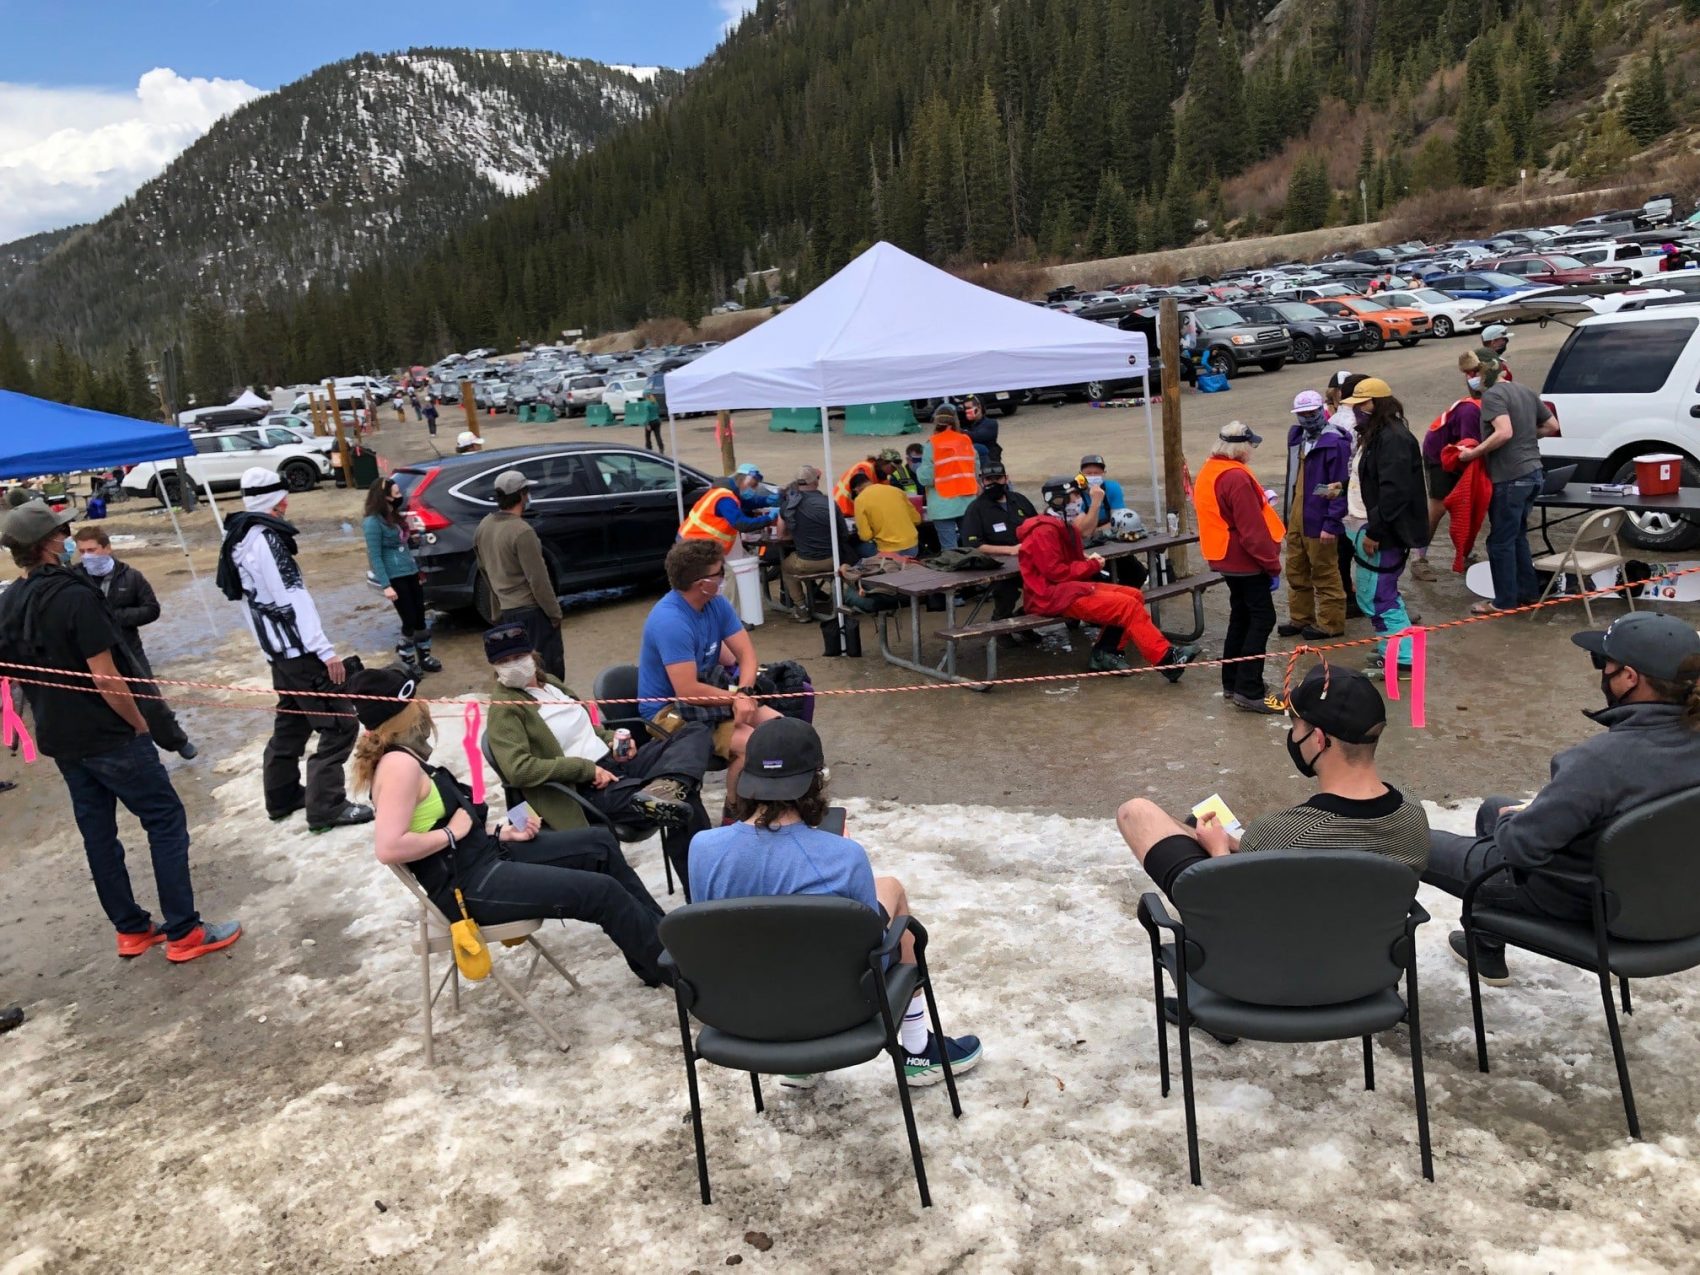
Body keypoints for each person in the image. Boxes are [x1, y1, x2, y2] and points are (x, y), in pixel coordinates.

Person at [0, 502, 242, 963]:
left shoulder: (9, 599)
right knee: (165, 820)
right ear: (49, 543)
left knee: (98, 833)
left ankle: (131, 929)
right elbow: (107, 677)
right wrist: (138, 722)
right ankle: (184, 932)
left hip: (61, 737)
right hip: (107, 735)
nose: (69, 536)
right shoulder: (74, 595)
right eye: (63, 531)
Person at [689, 717, 982, 1088]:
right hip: (832, 1011)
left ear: (748, 779)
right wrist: (831, 851)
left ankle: (798, 1066)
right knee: (894, 900)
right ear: (815, 781)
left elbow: (708, 927)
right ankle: (917, 1048)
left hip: (740, 1011)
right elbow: (868, 946)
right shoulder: (844, 855)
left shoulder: (701, 848)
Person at [1423, 614, 1700, 984]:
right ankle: (1484, 946)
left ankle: (1367, 969)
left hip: (1588, 903)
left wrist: (1512, 821)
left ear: (1630, 678)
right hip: (1674, 896)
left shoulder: (1600, 762)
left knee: (1407, 838)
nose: (1601, 672)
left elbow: (1521, 848)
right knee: (1493, 807)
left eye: (1604, 663)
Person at [354, 665, 671, 988]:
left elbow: (438, 821)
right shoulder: (399, 766)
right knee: (601, 892)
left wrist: (500, 831)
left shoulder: (407, 756)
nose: (424, 705)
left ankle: (668, 947)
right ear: (402, 713)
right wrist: (452, 833)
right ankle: (681, 974)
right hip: (470, 886)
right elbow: (389, 848)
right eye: (415, 700)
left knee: (599, 844)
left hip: (485, 856)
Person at [1118, 663, 1429, 906]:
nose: (1293, 737)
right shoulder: (1413, 814)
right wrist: (1235, 842)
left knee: (1136, 812)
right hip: (1365, 965)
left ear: (1318, 739)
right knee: (1194, 828)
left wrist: (1219, 853)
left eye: (1295, 727)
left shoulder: (1283, 833)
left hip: (1266, 969)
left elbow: (1237, 899)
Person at [482, 621, 712, 884]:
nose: (513, 665)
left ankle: (668, 785)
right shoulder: (505, 708)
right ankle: (702, 892)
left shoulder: (552, 684)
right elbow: (518, 769)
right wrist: (585, 769)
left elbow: (586, 728)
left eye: (518, 656)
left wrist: (613, 739)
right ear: (495, 667)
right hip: (584, 788)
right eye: (504, 661)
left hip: (614, 762)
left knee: (693, 730)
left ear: (531, 653)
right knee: (684, 805)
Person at [217, 467, 372, 832]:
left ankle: (282, 794)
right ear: (278, 501)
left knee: (291, 721)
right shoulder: (267, 540)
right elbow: (293, 597)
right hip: (299, 650)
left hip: (279, 652)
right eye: (283, 498)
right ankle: (327, 806)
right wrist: (324, 650)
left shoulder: (237, 537)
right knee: (339, 725)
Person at [637, 540, 782, 821]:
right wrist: (737, 699)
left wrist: (746, 692)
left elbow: (746, 654)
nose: (724, 576)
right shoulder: (671, 621)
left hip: (709, 695)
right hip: (667, 710)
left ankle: (772, 802)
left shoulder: (715, 603)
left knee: (780, 729)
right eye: (719, 572)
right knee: (751, 745)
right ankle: (735, 816)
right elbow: (688, 691)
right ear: (702, 583)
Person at [1017, 475, 1198, 677]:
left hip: (1067, 590)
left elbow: (1064, 564)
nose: (1077, 500)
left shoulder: (1062, 526)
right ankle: (1166, 659)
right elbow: (1056, 573)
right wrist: (1091, 565)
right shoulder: (1044, 531)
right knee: (1126, 606)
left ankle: (1105, 652)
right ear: (1058, 500)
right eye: (1073, 496)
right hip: (1051, 596)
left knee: (1133, 596)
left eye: (1077, 495)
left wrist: (1087, 562)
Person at [71, 524, 197, 758]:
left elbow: (151, 609)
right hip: (93, 651)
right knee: (101, 701)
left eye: (92, 550)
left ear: (107, 548)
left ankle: (176, 741)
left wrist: (116, 617)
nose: (87, 556)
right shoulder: (75, 579)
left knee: (149, 699)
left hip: (128, 648)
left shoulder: (131, 576)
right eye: (82, 551)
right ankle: (127, 746)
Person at [1194, 423, 1285, 713]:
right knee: (1261, 619)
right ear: (1241, 448)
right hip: (1245, 560)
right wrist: (1271, 565)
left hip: (1226, 557)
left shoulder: (1212, 469)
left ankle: (1232, 682)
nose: (1253, 452)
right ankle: (1249, 689)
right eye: (1251, 446)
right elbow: (1252, 531)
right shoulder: (1235, 476)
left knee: (1242, 617)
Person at [1457, 350, 1554, 616]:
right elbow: (1551, 426)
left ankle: (1503, 602)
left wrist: (1473, 454)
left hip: (1510, 477)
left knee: (1500, 542)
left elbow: (1504, 432)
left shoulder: (1493, 396)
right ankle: (1528, 593)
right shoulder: (1524, 390)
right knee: (1517, 536)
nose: (1471, 379)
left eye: (1474, 374)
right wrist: (1526, 433)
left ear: (1486, 370)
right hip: (1534, 472)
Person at [1343, 378, 1427, 678]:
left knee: (1380, 596)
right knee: (1373, 594)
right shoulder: (1376, 435)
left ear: (1374, 405)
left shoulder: (1393, 439)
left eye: (1359, 406)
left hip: (1382, 533)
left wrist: (1376, 532)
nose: (1355, 412)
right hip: (1369, 525)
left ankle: (1403, 659)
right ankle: (1387, 648)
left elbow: (1394, 492)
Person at [473, 470, 565, 679]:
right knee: (547, 673)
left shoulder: (484, 526)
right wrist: (554, 613)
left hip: (506, 612)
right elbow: (538, 579)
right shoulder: (522, 531)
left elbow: (484, 569)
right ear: (522, 495)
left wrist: (497, 608)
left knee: (519, 673)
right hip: (531, 613)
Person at [1279, 390, 1352, 641]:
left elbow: (1340, 486)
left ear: (1322, 410)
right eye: (1302, 414)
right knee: (1295, 570)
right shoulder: (1297, 438)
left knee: (1325, 572)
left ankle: (1331, 623)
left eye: (1311, 413)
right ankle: (1301, 618)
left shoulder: (1336, 442)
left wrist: (1331, 524)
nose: (1307, 418)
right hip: (1297, 515)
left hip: (1320, 518)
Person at [1413, 355, 1485, 583]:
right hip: (1440, 454)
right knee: (1439, 506)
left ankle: (1466, 552)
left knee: (1466, 501)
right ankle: (1418, 559)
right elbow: (1467, 448)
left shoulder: (1489, 405)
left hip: (1458, 451)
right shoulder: (1471, 411)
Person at [362, 477, 440, 676]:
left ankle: (425, 655)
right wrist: (386, 585)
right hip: (395, 576)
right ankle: (406, 657)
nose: (400, 497)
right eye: (396, 494)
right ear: (384, 497)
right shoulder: (372, 522)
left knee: (421, 617)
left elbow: (403, 545)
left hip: (410, 571)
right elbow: (376, 556)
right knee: (409, 620)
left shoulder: (395, 517)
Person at [677, 470, 779, 617]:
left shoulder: (720, 494)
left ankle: (714, 616)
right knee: (724, 577)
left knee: (708, 581)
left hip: (693, 542)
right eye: (752, 485)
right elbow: (742, 524)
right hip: (696, 545)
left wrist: (766, 500)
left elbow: (748, 502)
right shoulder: (725, 498)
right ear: (739, 484)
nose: (753, 490)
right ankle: (730, 620)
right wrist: (768, 518)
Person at [961, 462, 1038, 623]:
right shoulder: (976, 509)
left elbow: (1038, 526)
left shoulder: (1019, 500)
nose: (994, 483)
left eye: (998, 478)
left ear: (1006, 478)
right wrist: (1009, 550)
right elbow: (973, 545)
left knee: (1047, 587)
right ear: (982, 481)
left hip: (1030, 558)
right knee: (1006, 591)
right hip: (997, 565)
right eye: (989, 479)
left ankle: (1023, 620)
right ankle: (1001, 627)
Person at [779, 465, 845, 622]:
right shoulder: (829, 502)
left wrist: (798, 534)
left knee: (785, 567)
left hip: (805, 562)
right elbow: (843, 533)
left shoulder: (788, 505)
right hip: (834, 560)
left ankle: (801, 608)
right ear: (816, 482)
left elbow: (781, 535)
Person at [1325, 370, 1366, 619]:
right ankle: (1358, 598)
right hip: (1351, 492)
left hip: (1336, 492)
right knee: (1357, 549)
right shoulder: (1354, 421)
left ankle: (1346, 596)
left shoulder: (1330, 420)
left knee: (1341, 552)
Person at [916, 405, 978, 551]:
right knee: (971, 545)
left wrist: (918, 470)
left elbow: (926, 478)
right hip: (967, 500)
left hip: (942, 504)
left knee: (950, 550)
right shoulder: (966, 440)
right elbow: (975, 468)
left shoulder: (932, 444)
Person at [852, 470, 921, 557]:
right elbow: (917, 520)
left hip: (888, 551)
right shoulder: (896, 491)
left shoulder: (860, 500)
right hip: (912, 547)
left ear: (856, 489)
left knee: (859, 548)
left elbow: (865, 536)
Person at [1078, 455, 1126, 528]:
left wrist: (1098, 532)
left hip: (1105, 527)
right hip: (1083, 527)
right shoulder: (1075, 491)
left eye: (1097, 473)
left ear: (1104, 473)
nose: (1093, 476)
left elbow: (1119, 519)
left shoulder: (1113, 487)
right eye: (1088, 473)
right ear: (1080, 474)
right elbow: (1077, 526)